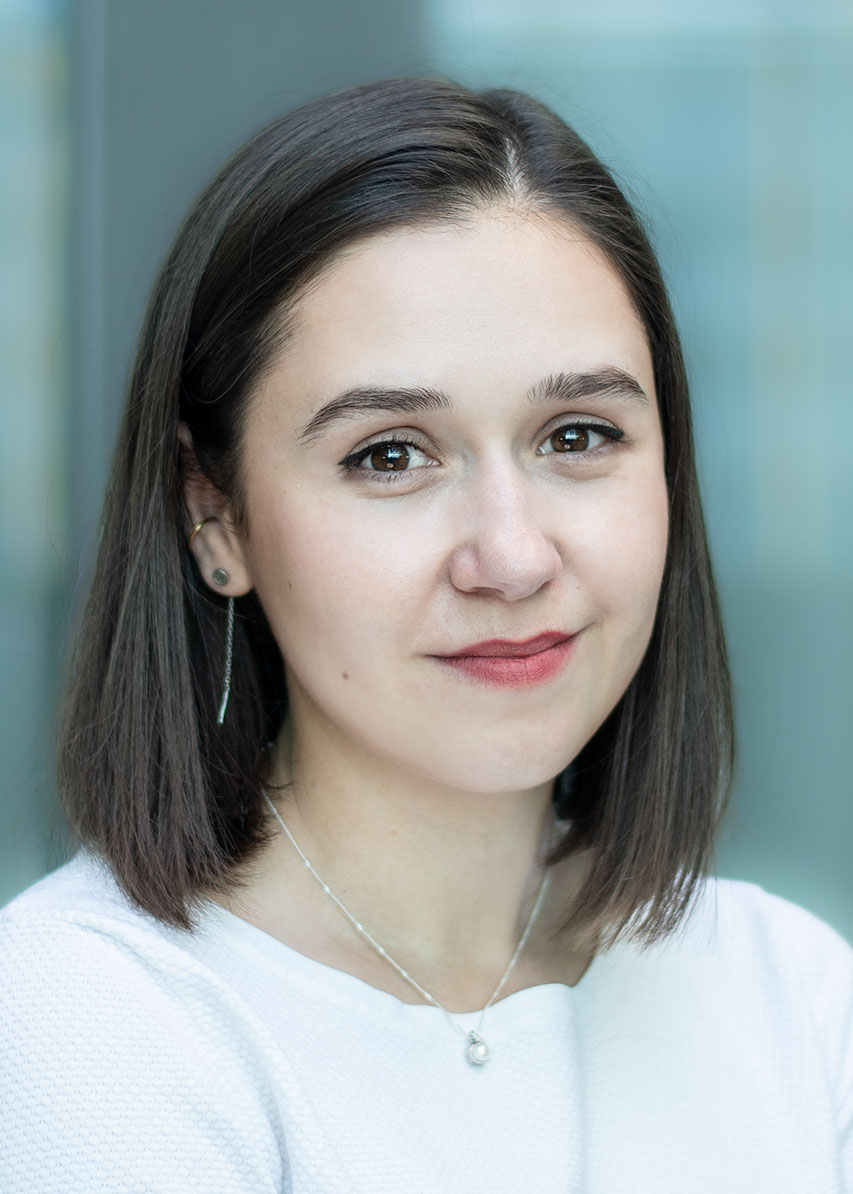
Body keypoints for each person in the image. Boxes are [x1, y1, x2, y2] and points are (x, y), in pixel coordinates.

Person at [1, 75, 850, 1193]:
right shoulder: (91, 1020)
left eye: (578, 435)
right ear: (215, 517)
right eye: (390, 455)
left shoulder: (793, 1001)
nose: (513, 556)